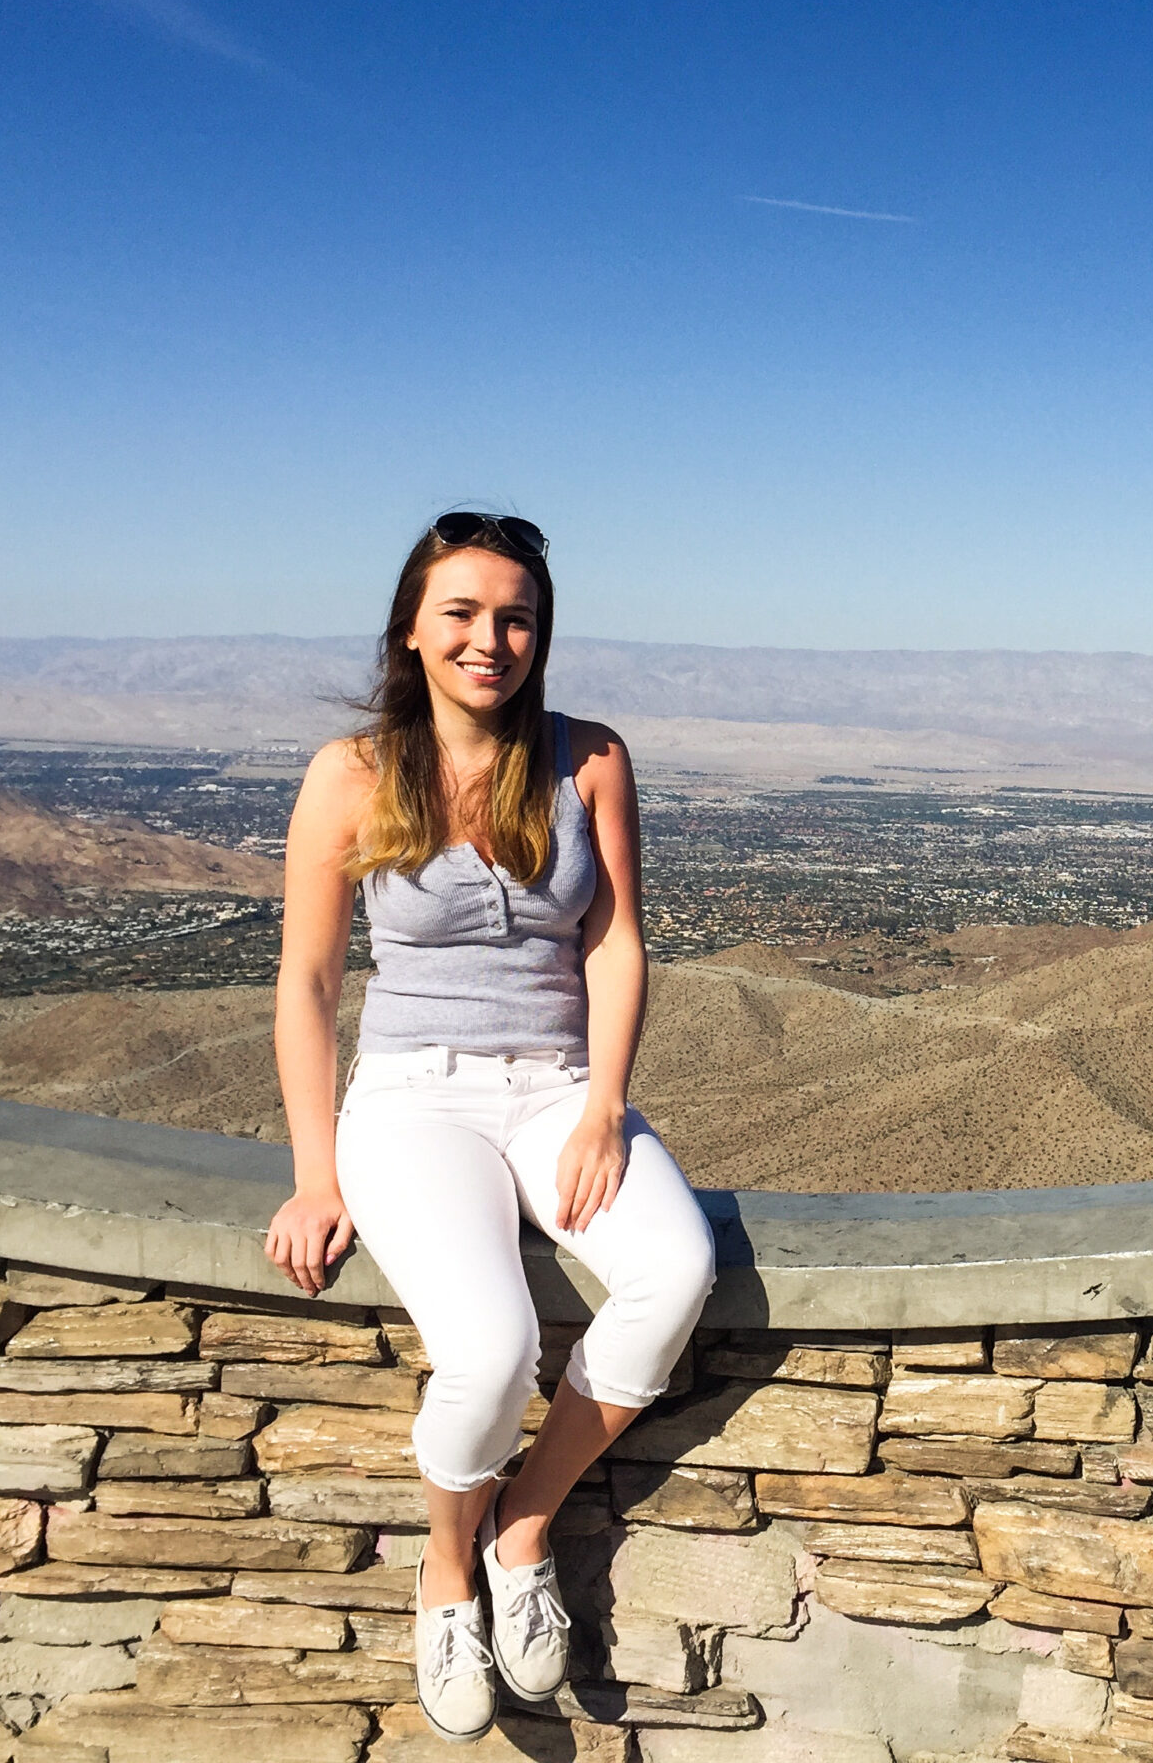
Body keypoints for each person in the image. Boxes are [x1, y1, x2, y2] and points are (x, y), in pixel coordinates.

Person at [263, 510, 717, 1743]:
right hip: (412, 1095)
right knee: (489, 1347)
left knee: (675, 1269)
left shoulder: (587, 759)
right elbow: (306, 982)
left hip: (561, 1085)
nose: (490, 638)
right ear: (412, 628)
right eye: (461, 612)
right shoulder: (350, 774)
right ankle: (447, 1573)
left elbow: (614, 940)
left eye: (515, 616)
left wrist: (605, 1109)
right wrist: (316, 1175)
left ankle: (523, 1524)